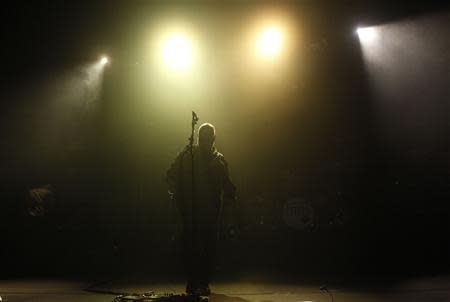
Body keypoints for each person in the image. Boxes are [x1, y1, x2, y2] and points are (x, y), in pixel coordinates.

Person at [166, 122, 236, 296]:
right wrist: (177, 195)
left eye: (207, 138)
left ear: (213, 139)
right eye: (202, 137)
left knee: (208, 249)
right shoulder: (187, 156)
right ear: (198, 138)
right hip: (190, 212)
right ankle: (193, 281)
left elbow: (229, 189)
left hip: (210, 214)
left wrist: (229, 210)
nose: (204, 141)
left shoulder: (218, 161)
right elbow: (170, 175)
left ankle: (203, 282)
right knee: (190, 248)